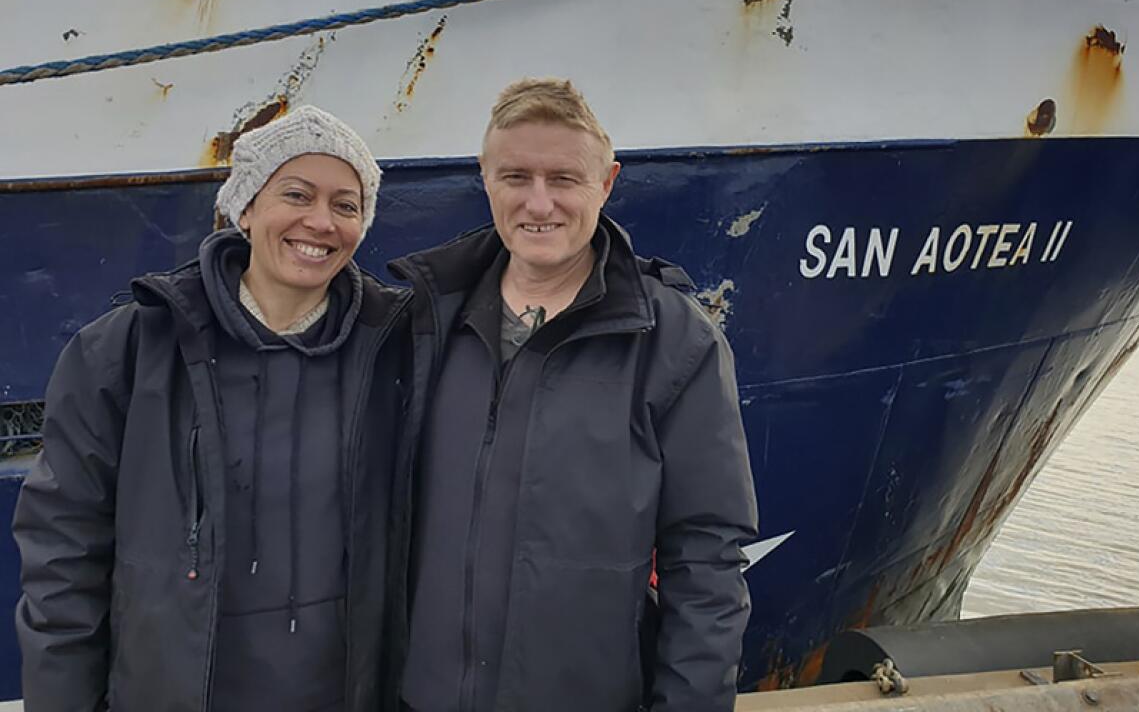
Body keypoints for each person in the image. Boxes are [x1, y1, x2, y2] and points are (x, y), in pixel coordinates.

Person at [13, 106, 412, 712]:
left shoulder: (398, 350)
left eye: (346, 205)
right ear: (246, 208)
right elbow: (64, 556)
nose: (320, 222)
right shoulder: (126, 350)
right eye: (296, 194)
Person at [388, 78, 758, 712]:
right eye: (516, 177)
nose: (539, 203)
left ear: (606, 183)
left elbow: (705, 560)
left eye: (564, 179)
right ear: (484, 177)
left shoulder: (672, 342)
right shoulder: (424, 318)